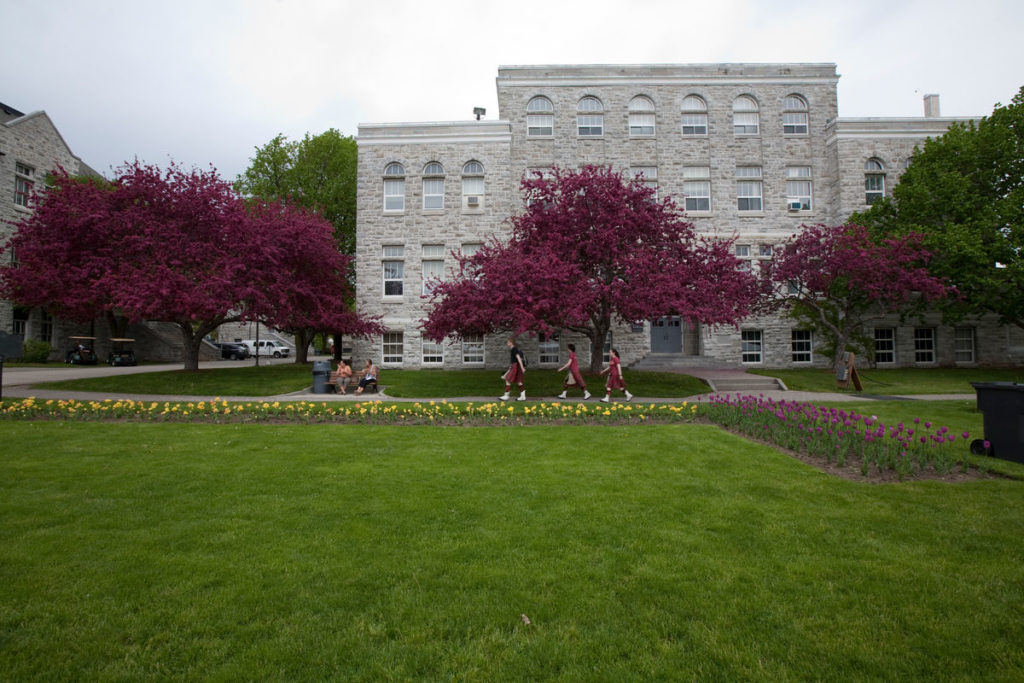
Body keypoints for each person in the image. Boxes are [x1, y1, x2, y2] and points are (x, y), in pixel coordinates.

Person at [499, 337, 527, 401]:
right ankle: (523, 396)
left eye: (508, 342)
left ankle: (506, 396)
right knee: (519, 381)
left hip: (515, 367)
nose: (507, 343)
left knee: (507, 379)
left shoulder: (514, 349)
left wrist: (522, 368)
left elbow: (519, 358)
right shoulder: (513, 349)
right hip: (515, 366)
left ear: (511, 343)